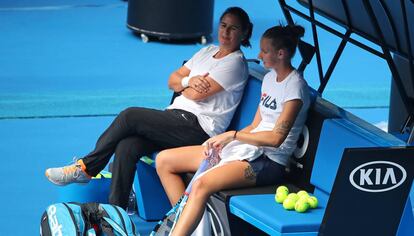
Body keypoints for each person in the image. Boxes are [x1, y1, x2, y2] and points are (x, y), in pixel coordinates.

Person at [45, 7, 253, 209]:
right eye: (223, 25)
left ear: (243, 33)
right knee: (127, 146)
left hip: (198, 129)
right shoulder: (207, 51)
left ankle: (85, 168)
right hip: (174, 119)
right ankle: (116, 215)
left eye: (233, 28)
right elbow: (172, 80)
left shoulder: (235, 63)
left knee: (129, 116)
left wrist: (184, 85)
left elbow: (194, 93)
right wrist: (189, 80)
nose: (225, 32)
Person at [155, 24, 310, 235]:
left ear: (280, 54)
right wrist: (225, 140)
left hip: (268, 162)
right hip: (245, 148)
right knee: (165, 160)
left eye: (264, 51)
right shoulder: (269, 79)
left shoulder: (295, 87)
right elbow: (255, 125)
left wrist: (234, 135)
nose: (258, 54)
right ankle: (194, 228)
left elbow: (276, 138)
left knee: (201, 183)